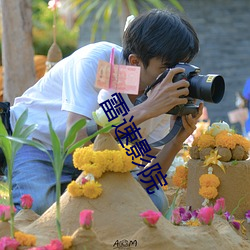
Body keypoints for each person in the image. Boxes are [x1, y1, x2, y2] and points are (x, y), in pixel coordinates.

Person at [6, 9, 202, 215]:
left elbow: (147, 182)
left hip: (95, 161)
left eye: (182, 66)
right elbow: (76, 142)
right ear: (135, 62)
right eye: (167, 68)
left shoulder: (164, 93)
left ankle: (71, 200)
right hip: (36, 143)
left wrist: (176, 141)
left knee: (153, 202)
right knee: (40, 208)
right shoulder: (97, 62)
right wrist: (146, 109)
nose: (175, 76)